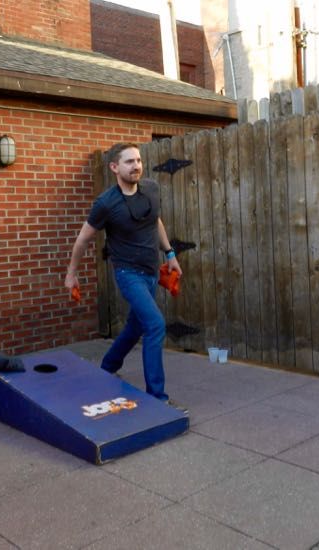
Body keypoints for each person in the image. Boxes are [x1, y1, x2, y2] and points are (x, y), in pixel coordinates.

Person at [64, 143, 186, 412]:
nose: (136, 166)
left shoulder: (150, 189)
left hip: (151, 272)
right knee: (155, 324)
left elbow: (155, 221)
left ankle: (108, 366)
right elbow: (83, 239)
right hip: (128, 273)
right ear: (114, 167)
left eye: (138, 160)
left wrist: (170, 253)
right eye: (129, 162)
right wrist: (71, 274)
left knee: (135, 326)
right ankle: (158, 398)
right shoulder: (106, 203)